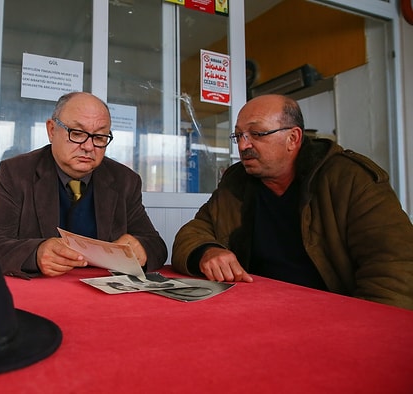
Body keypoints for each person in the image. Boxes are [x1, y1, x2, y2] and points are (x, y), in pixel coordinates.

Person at [172, 94, 413, 310]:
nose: (243, 146)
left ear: (293, 138)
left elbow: (394, 268)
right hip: (252, 310)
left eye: (257, 134)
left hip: (332, 318)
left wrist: (363, 332)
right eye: (239, 136)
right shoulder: (237, 181)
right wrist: (206, 251)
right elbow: (193, 232)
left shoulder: (349, 179)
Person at [0, 92, 167, 277]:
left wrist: (141, 248)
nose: (88, 146)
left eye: (99, 137)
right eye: (77, 133)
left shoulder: (124, 180)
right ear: (51, 130)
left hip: (104, 296)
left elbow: (156, 246)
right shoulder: (17, 173)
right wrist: (36, 253)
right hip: (43, 293)